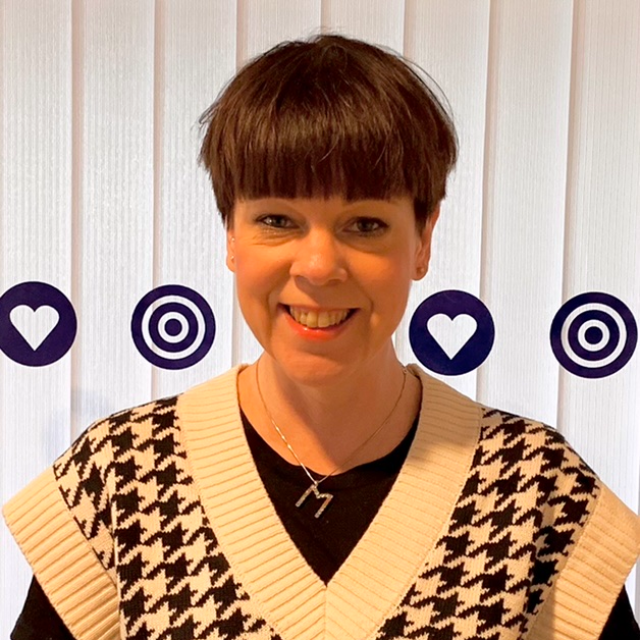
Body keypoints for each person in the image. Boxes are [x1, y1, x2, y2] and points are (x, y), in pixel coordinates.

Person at [4, 34, 640, 640]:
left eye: (365, 225)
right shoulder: (123, 475)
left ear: (423, 239)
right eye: (277, 220)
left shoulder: (533, 485)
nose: (316, 266)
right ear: (231, 235)